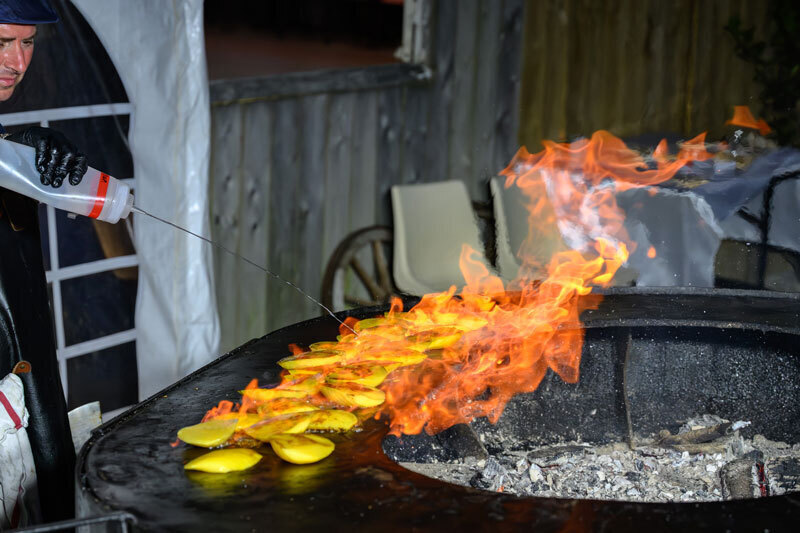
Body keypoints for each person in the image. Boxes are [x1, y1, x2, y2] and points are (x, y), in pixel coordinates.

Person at [0, 0, 89, 525]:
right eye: (2, 42)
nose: (18, 61)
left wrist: (20, 152)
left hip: (27, 378)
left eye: (27, 42)